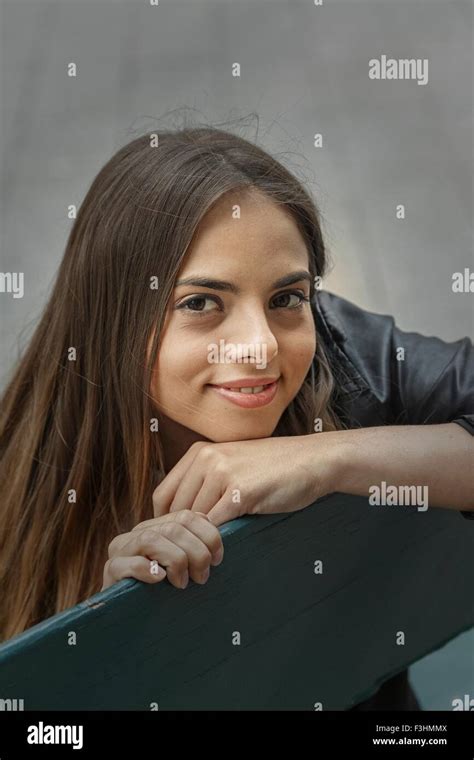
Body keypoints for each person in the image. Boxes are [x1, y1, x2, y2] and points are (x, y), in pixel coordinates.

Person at [0, 126, 472, 712]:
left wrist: (328, 458)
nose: (260, 346)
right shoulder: (23, 469)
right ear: (112, 316)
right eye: (200, 303)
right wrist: (109, 627)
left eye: (287, 298)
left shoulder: (350, 358)